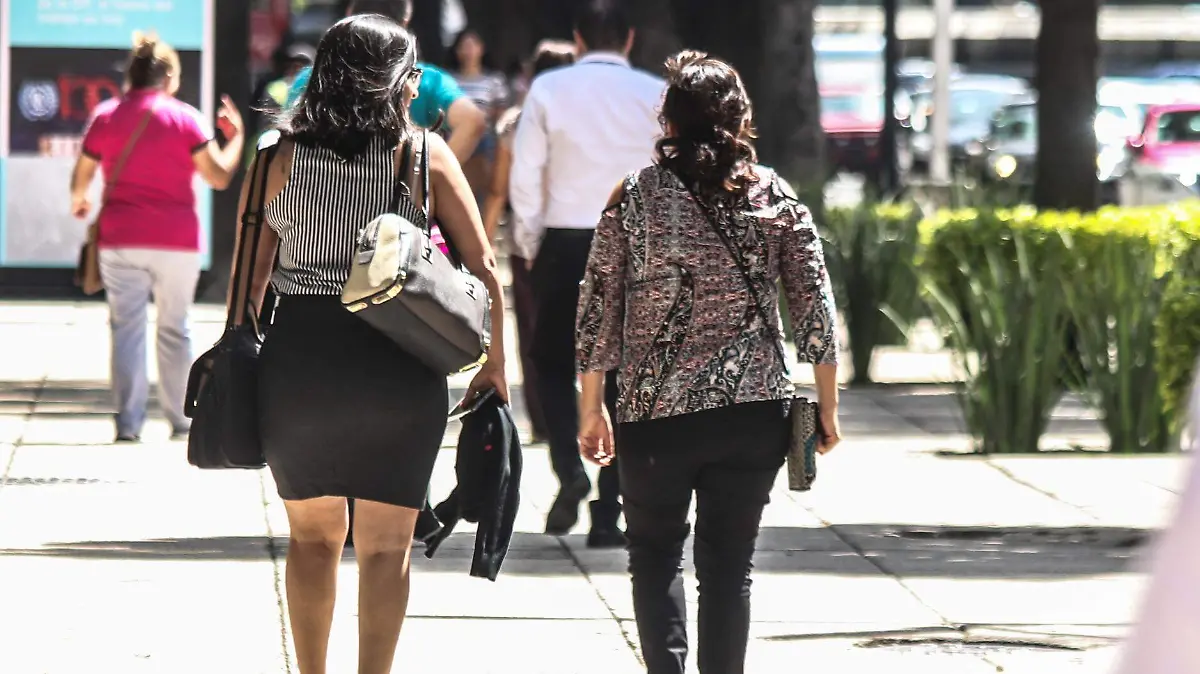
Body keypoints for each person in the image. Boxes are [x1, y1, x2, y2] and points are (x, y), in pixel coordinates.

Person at [239, 15, 506, 674]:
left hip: (300, 363)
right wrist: (493, 367)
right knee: (387, 549)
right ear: (392, 80)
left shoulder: (276, 154)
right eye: (410, 73)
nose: (415, 86)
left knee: (311, 541)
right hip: (400, 361)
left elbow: (249, 280)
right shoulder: (422, 154)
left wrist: (240, 360)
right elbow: (483, 268)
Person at [575, 51, 842, 674]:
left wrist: (592, 406)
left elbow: (599, 306)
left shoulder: (635, 195)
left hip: (652, 412)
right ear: (740, 118)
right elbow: (815, 309)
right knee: (728, 569)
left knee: (654, 555)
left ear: (666, 120)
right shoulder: (773, 194)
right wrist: (827, 407)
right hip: (752, 415)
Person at [509, 0, 663, 547]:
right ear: (629, 39)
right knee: (629, 369)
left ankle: (568, 467)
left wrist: (528, 241)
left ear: (577, 39)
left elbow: (527, 173)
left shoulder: (550, 91)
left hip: (568, 239)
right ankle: (610, 505)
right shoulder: (654, 94)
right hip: (639, 241)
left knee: (550, 361)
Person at [70, 32, 245, 443]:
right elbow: (218, 176)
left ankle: (128, 424)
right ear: (168, 77)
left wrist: (79, 200)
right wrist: (234, 139)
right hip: (177, 241)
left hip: (120, 237)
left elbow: (82, 173)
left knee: (126, 328)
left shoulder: (107, 116)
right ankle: (182, 419)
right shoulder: (185, 118)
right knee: (175, 327)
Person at [482, 40, 577, 448]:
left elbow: (499, 191)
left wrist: (482, 242)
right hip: (583, 236)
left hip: (529, 243)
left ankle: (546, 423)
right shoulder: (588, 119)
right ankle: (589, 412)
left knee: (535, 332)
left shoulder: (515, 124)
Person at [286, 0, 487, 164]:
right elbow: (473, 120)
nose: (413, 91)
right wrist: (429, 174)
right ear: (405, 21)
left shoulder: (311, 78)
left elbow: (286, 140)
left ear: (349, 15)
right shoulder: (427, 80)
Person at [446, 28, 509, 200]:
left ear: (481, 48)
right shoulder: (448, 80)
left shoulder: (494, 80)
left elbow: (501, 116)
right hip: (455, 138)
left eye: (472, 45)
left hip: (484, 142)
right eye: (464, 46)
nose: (469, 51)